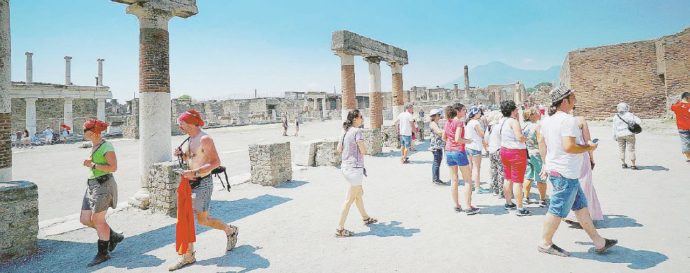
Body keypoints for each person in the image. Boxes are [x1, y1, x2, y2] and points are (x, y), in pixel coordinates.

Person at [538, 86, 616, 257]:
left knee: (581, 208)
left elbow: (542, 143)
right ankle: (545, 243)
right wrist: (590, 147)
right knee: (557, 209)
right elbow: (569, 146)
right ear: (565, 101)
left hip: (560, 171)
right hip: (565, 173)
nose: (575, 98)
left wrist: (545, 164)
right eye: (572, 96)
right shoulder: (568, 120)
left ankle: (598, 241)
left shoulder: (546, 121)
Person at [169, 109, 239, 271]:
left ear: (192, 123)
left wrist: (193, 173)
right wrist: (182, 155)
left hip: (203, 183)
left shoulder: (205, 139)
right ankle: (188, 256)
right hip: (189, 183)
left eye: (182, 123)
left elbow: (215, 162)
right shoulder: (190, 139)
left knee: (202, 220)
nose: (180, 126)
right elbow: (194, 159)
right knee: (185, 218)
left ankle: (230, 230)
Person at [79, 119, 124, 267]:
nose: (83, 132)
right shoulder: (95, 144)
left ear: (92, 132)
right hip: (92, 185)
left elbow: (113, 167)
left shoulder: (107, 146)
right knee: (85, 219)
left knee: (98, 220)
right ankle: (112, 236)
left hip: (103, 185)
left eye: (84, 130)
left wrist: (92, 164)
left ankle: (103, 253)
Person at [335, 109, 377, 237]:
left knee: (358, 195)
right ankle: (340, 229)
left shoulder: (344, 131)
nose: (362, 118)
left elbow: (338, 149)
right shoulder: (357, 131)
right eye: (360, 117)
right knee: (349, 200)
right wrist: (361, 148)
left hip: (345, 167)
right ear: (355, 119)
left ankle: (365, 218)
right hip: (355, 169)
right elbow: (363, 150)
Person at [443, 104, 479, 215]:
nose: (465, 112)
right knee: (467, 180)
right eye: (463, 110)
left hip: (448, 151)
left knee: (454, 180)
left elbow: (444, 137)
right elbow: (458, 138)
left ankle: (456, 205)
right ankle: (468, 206)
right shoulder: (459, 122)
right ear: (458, 111)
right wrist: (468, 141)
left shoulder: (447, 122)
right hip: (458, 151)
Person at [566, 116, 603, 224]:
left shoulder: (558, 120)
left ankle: (570, 212)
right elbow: (588, 142)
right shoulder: (580, 120)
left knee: (570, 184)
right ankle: (585, 214)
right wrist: (592, 158)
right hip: (581, 155)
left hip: (567, 157)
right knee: (585, 184)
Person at [498, 100, 530, 216]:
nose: (517, 111)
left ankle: (508, 202)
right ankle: (520, 208)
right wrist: (527, 137)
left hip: (504, 150)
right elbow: (519, 138)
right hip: (516, 152)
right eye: (516, 109)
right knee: (518, 181)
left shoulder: (502, 121)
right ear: (512, 110)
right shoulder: (513, 121)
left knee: (508, 178)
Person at [522, 107, 547, 207]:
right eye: (537, 112)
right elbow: (540, 142)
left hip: (527, 152)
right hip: (537, 153)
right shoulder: (537, 126)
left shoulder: (524, 126)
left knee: (528, 176)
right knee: (541, 177)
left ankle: (526, 198)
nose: (539, 114)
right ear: (532, 115)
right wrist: (544, 159)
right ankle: (542, 200)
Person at [465, 107, 490, 193]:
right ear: (475, 114)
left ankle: (471, 185)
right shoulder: (476, 122)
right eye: (479, 113)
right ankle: (477, 187)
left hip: (469, 147)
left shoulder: (469, 122)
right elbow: (482, 134)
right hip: (476, 147)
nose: (480, 114)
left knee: (470, 168)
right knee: (477, 168)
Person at [612, 102, 641, 169]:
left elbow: (614, 127)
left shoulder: (616, 116)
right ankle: (633, 165)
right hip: (629, 134)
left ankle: (623, 164)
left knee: (621, 150)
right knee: (631, 150)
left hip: (619, 135)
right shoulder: (630, 115)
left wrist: (614, 136)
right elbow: (639, 121)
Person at [486, 111, 505, 197]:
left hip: (491, 150)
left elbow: (486, 139)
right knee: (501, 171)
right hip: (499, 149)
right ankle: (502, 191)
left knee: (494, 170)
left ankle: (495, 189)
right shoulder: (499, 126)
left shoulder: (490, 127)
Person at [670, 92, 690, 162]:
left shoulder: (677, 106)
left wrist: (677, 102)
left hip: (682, 128)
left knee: (685, 142)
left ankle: (688, 157)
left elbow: (672, 107)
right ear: (688, 98)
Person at [428, 108, 446, 185]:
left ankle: (436, 178)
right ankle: (435, 179)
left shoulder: (435, 123)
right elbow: (438, 132)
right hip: (435, 146)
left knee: (437, 162)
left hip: (437, 146)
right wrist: (447, 131)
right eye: (438, 115)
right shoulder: (433, 124)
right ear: (435, 116)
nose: (439, 116)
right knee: (436, 162)